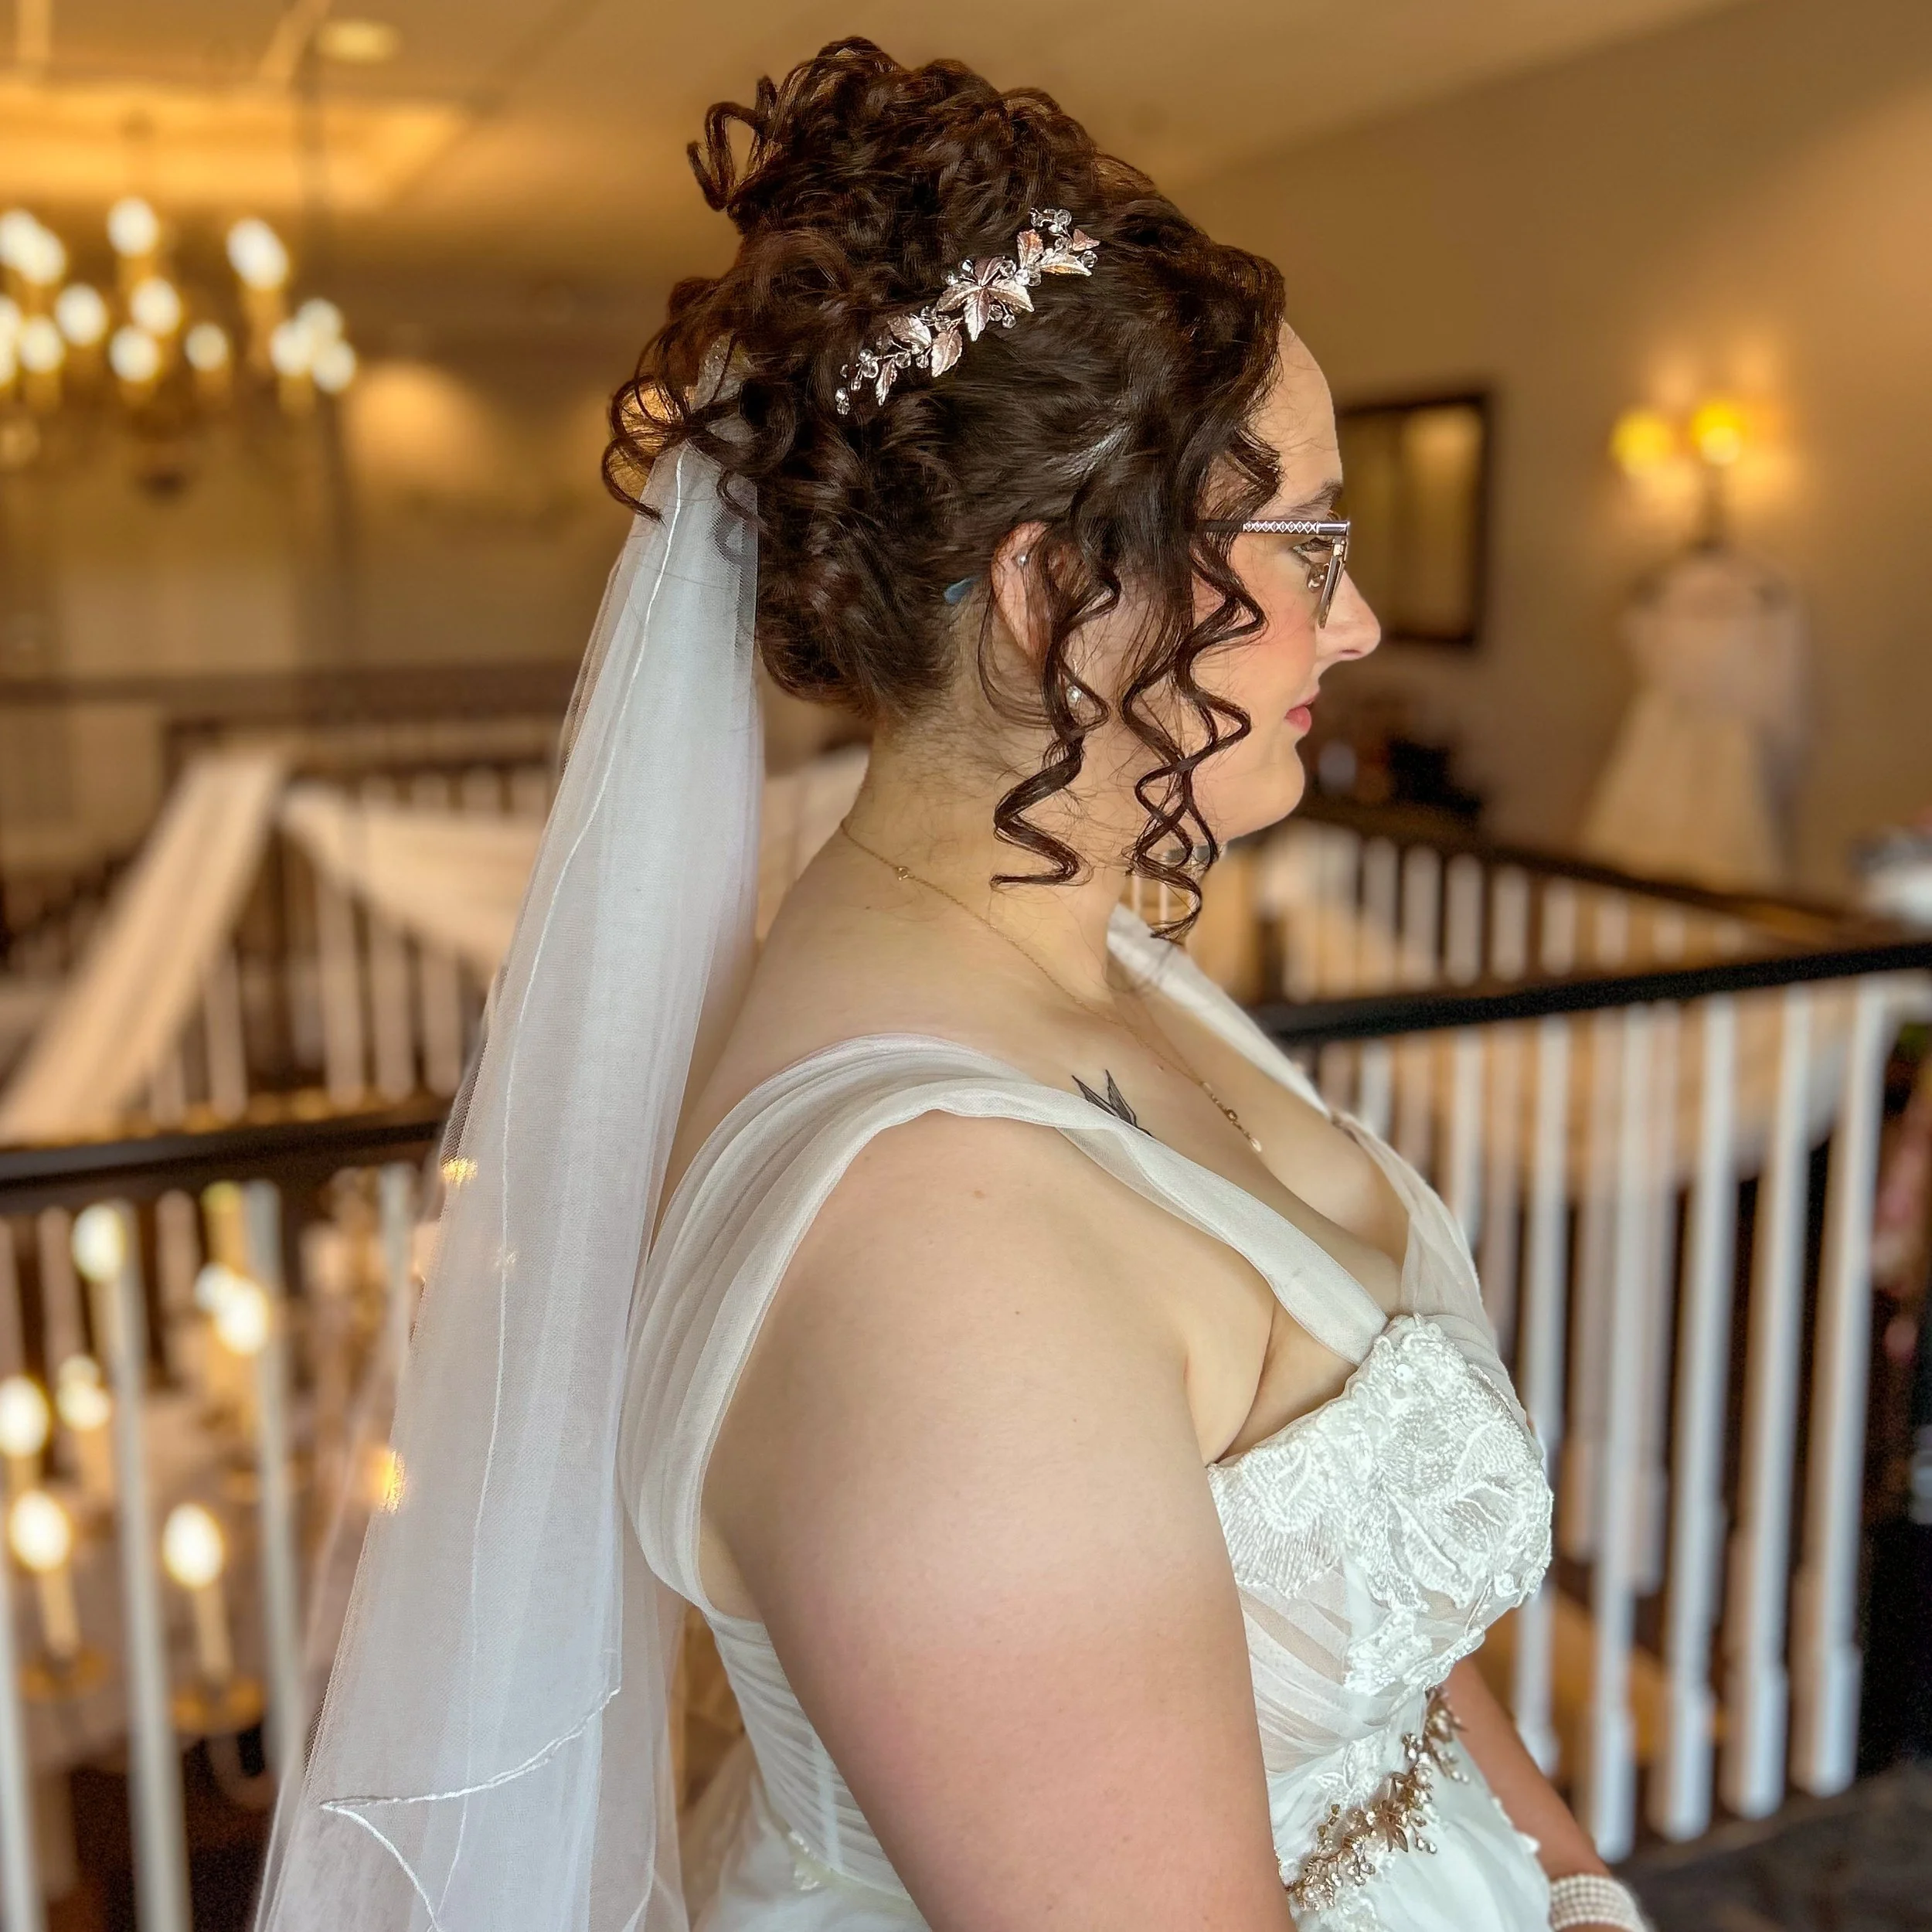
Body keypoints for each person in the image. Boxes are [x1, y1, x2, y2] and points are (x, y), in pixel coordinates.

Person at [258, 39, 1648, 1932]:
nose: (1359, 618)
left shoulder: (1096, 947)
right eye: (1304, 541)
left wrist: (1574, 1887)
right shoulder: (939, 1256)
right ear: (1048, 591)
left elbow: (1372, 1633)